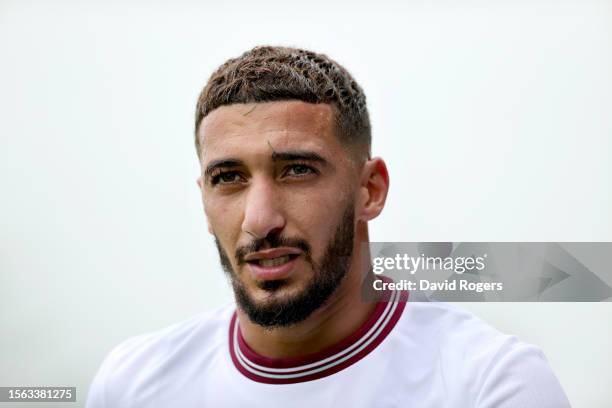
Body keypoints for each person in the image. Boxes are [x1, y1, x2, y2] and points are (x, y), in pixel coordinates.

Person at [85, 45, 571, 407]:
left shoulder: (489, 383)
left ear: (370, 190)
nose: (260, 219)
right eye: (229, 178)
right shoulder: (130, 385)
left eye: (297, 170)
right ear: (204, 200)